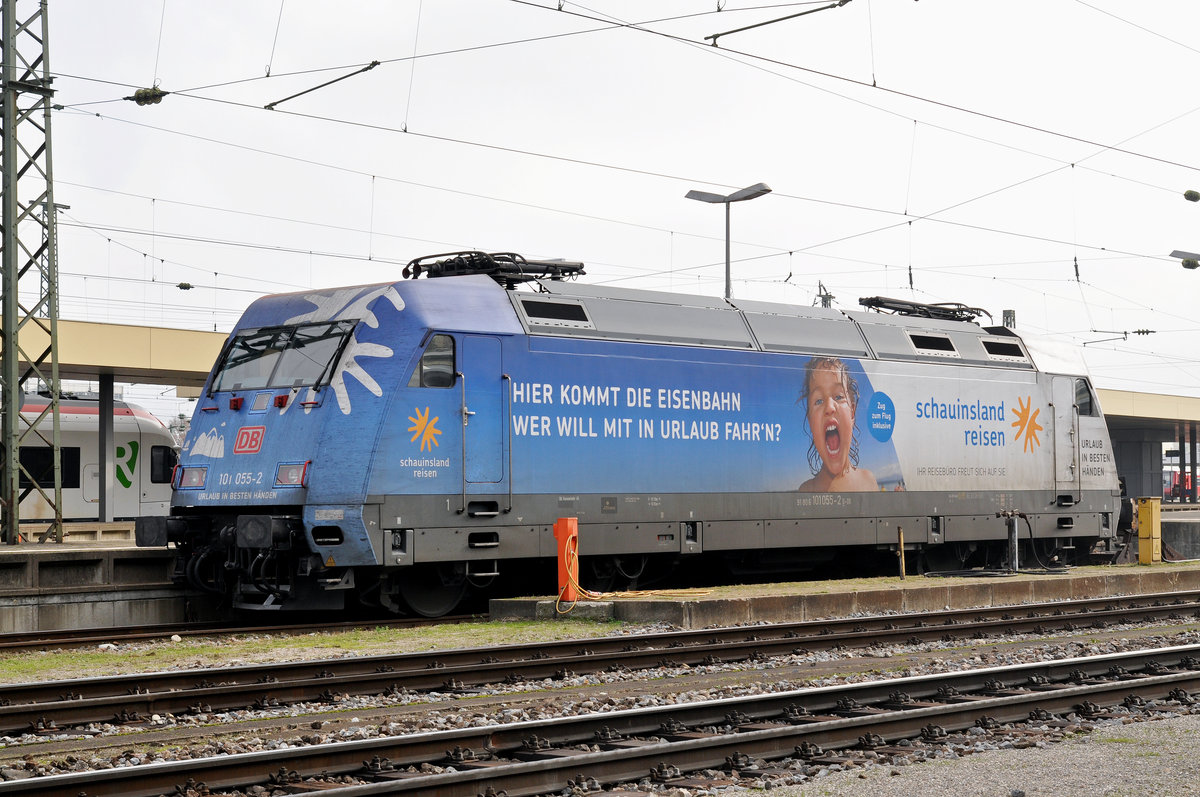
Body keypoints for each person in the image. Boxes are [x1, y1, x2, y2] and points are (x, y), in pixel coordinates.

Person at [798, 356, 879, 492]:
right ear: (811, 422)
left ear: (852, 412)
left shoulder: (867, 481)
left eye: (838, 397)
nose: (830, 407)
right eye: (818, 401)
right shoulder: (806, 490)